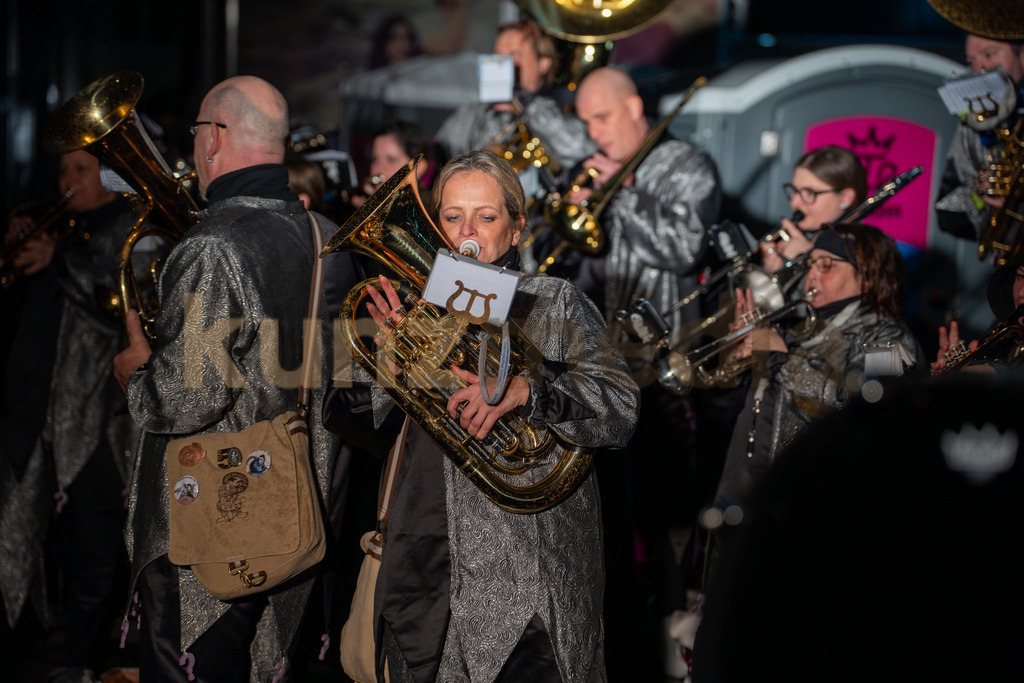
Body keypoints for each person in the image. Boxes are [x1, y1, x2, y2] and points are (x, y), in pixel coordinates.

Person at [321, 149, 639, 682]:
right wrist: (389, 365)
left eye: (486, 217)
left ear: (516, 229)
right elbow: (345, 419)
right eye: (452, 216)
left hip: (528, 582)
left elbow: (621, 409)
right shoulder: (412, 307)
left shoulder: (553, 302)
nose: (467, 231)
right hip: (422, 572)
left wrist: (526, 391)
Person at [112, 75, 341, 682]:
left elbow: (189, 397)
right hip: (301, 507)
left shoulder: (214, 245)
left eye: (195, 134)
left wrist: (137, 377)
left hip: (212, 520)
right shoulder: (324, 236)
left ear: (213, 138)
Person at [0, 148, 141, 678]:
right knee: (21, 534)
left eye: (81, 169)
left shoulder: (130, 230)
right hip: (33, 411)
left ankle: (82, 657)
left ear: (110, 175)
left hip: (95, 420)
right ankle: (32, 640)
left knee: (93, 547)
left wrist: (56, 258)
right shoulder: (56, 224)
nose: (67, 180)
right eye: (63, 169)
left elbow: (115, 306)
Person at [434, 19, 595, 207]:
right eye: (498, 56)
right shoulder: (472, 113)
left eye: (513, 55)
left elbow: (582, 150)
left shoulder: (563, 108)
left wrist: (526, 106)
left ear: (543, 63)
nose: (502, 63)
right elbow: (439, 156)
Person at [934, 34, 1023, 242]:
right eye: (972, 60)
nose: (980, 67)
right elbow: (946, 215)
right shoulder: (976, 124)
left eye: (990, 55)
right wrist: (979, 194)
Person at [759, 145, 868, 275]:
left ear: (845, 198)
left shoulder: (863, 252)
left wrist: (807, 259)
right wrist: (771, 273)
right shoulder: (807, 234)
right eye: (794, 190)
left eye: (810, 192)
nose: (794, 202)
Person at [349, 120, 435, 211]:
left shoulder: (429, 208)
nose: (379, 169)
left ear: (419, 167)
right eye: (376, 159)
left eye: (391, 160)